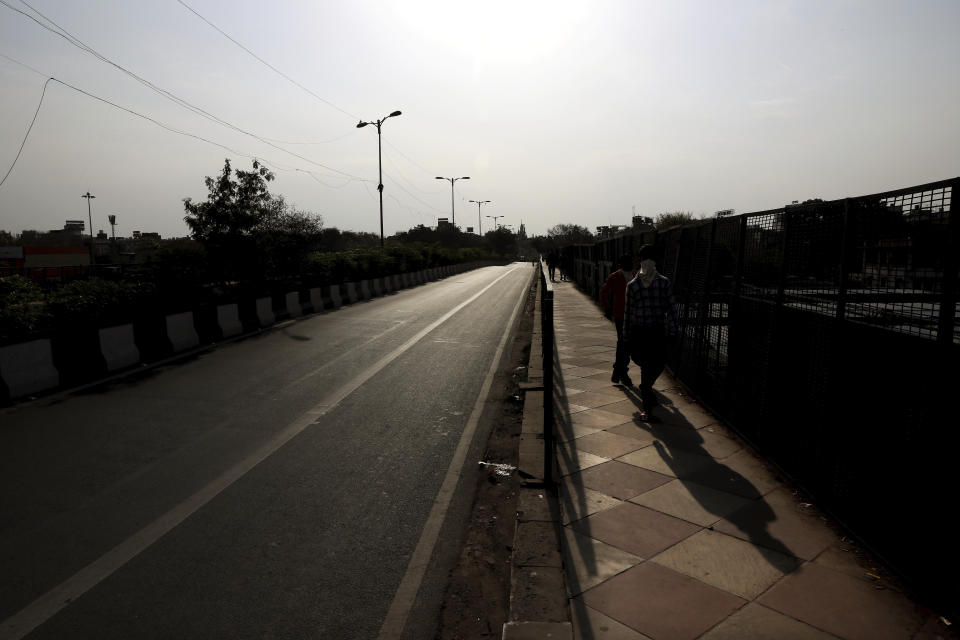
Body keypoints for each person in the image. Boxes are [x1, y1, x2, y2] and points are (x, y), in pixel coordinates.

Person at [623, 244, 678, 420]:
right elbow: (671, 309)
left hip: (640, 332)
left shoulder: (632, 285)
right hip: (657, 332)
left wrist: (626, 335)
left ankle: (646, 393)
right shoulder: (664, 282)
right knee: (658, 363)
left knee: (646, 366)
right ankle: (646, 403)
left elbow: (628, 313)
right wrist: (673, 331)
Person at [599, 254, 635, 386]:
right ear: (620, 264)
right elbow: (604, 292)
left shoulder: (637, 275)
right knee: (623, 342)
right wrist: (607, 308)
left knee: (626, 344)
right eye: (625, 262)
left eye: (629, 262)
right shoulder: (615, 277)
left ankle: (618, 370)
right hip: (620, 315)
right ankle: (623, 372)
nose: (628, 264)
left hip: (633, 315)